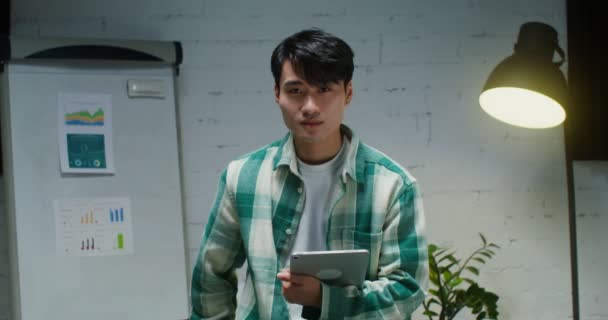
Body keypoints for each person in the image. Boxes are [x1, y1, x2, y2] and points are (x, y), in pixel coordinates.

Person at [190, 28, 427, 320]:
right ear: (277, 93)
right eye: (296, 91)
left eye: (324, 89)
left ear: (348, 93)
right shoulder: (243, 177)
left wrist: (324, 298)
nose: (310, 107)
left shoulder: (392, 185)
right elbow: (211, 274)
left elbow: (407, 289)